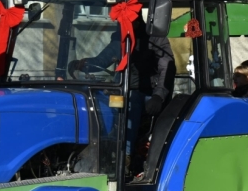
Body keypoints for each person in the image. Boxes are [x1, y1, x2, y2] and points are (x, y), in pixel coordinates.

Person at [68, 9, 176, 167]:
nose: (122, 25)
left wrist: (158, 96)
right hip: (121, 88)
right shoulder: (120, 39)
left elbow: (167, 68)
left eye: (126, 22)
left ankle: (125, 156)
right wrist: (81, 65)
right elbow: (102, 60)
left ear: (137, 21)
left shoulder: (155, 40)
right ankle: (97, 148)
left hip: (147, 92)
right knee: (95, 101)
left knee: (131, 103)